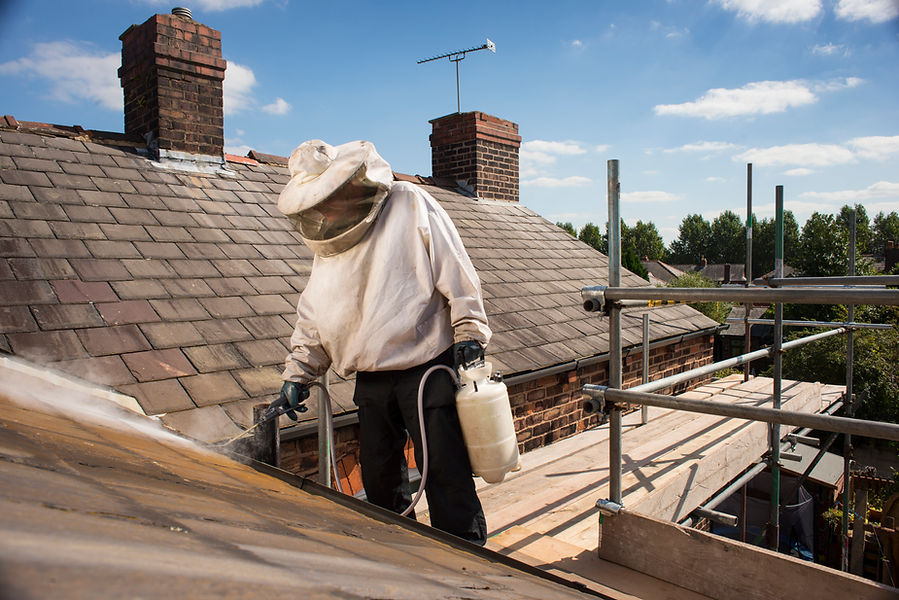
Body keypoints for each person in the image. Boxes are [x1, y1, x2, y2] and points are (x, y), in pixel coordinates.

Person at [274, 139, 491, 545]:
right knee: (379, 476)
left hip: (425, 364)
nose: (323, 212)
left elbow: (456, 269)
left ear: (351, 186)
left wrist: (470, 330)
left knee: (444, 469)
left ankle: (467, 557)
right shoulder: (331, 242)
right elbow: (318, 313)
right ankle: (397, 554)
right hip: (371, 377)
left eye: (329, 200)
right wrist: (298, 374)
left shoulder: (409, 203)